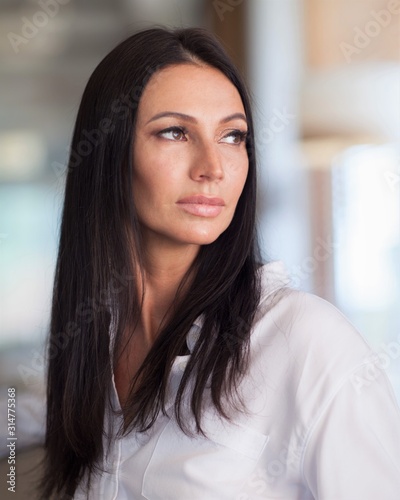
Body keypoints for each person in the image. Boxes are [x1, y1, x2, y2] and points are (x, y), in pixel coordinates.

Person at [33, 27, 400, 499]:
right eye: (175, 132)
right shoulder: (88, 345)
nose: (213, 166)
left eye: (232, 136)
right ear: (109, 153)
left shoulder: (305, 341)